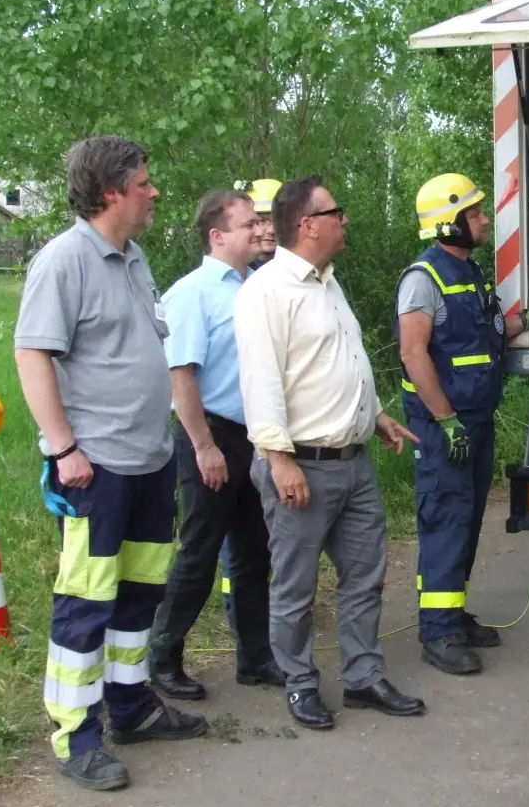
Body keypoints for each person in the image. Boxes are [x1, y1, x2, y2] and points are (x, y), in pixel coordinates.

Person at [14, 136, 206, 792]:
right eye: (145, 183)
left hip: (149, 461)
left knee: (139, 594)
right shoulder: (64, 261)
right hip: (96, 470)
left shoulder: (134, 258)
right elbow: (33, 355)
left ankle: (131, 708)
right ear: (110, 192)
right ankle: (76, 735)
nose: (154, 192)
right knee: (85, 602)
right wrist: (64, 448)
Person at [234, 174, 425, 729]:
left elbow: (335, 367)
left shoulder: (329, 284)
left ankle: (363, 676)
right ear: (308, 223)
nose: (345, 220)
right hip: (301, 467)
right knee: (295, 587)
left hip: (354, 462)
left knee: (365, 575)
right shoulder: (266, 292)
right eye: (335, 212)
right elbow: (262, 382)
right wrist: (278, 458)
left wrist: (375, 417)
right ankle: (299, 683)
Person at [395, 173, 529, 675]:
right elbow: (413, 354)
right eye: (473, 214)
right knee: (446, 520)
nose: (482, 221)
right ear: (447, 223)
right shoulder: (422, 280)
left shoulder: (470, 274)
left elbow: (488, 334)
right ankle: (438, 632)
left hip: (475, 421)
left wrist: (528, 320)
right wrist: (446, 420)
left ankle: (453, 613)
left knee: (467, 519)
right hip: (444, 427)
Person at [146, 190, 283, 701]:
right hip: (212, 434)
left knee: (252, 551)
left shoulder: (251, 286)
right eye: (248, 224)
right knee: (201, 551)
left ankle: (255, 657)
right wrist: (204, 448)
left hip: (254, 437)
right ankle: (161, 656)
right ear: (217, 235)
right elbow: (181, 377)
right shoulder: (193, 293)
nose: (259, 231)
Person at [218, 177, 282, 628]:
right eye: (256, 221)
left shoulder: (281, 275)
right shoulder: (236, 281)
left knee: (263, 528)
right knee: (238, 533)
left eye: (271, 220)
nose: (265, 230)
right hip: (231, 424)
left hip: (268, 424)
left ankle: (259, 609)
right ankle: (238, 610)